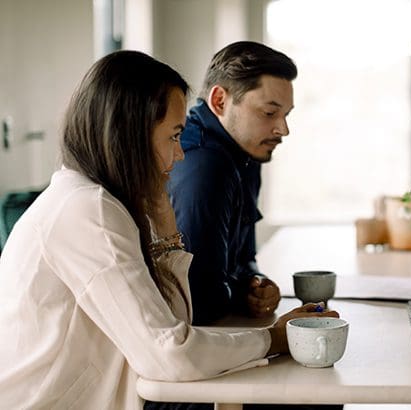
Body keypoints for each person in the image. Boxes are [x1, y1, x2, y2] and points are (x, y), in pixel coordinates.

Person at [0, 50, 337, 409]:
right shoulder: (89, 209)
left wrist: (163, 223)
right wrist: (274, 339)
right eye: (174, 136)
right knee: (310, 396)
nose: (180, 155)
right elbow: (171, 354)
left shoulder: (103, 202)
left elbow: (175, 325)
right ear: (130, 134)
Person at [167, 41, 295, 326]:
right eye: (269, 112)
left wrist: (256, 284)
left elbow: (243, 257)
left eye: (286, 114)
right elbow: (200, 303)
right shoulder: (203, 164)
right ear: (220, 101)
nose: (283, 129)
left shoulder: (246, 151)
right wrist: (240, 292)